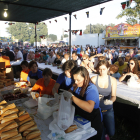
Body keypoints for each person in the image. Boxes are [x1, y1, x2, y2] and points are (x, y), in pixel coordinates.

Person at [63, 66, 103, 140]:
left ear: (85, 78)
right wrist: (64, 95)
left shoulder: (91, 89)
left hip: (92, 120)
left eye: (78, 80)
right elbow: (68, 92)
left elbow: (89, 108)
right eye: (74, 80)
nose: (75, 82)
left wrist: (72, 97)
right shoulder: (76, 85)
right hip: (80, 118)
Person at [91, 60, 117, 140]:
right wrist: (95, 97)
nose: (102, 71)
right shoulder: (94, 79)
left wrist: (110, 101)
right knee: (100, 137)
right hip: (97, 109)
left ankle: (104, 129)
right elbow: (89, 93)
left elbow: (113, 96)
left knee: (111, 132)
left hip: (108, 109)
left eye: (104, 69)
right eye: (100, 69)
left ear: (108, 68)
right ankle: (102, 129)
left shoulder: (112, 80)